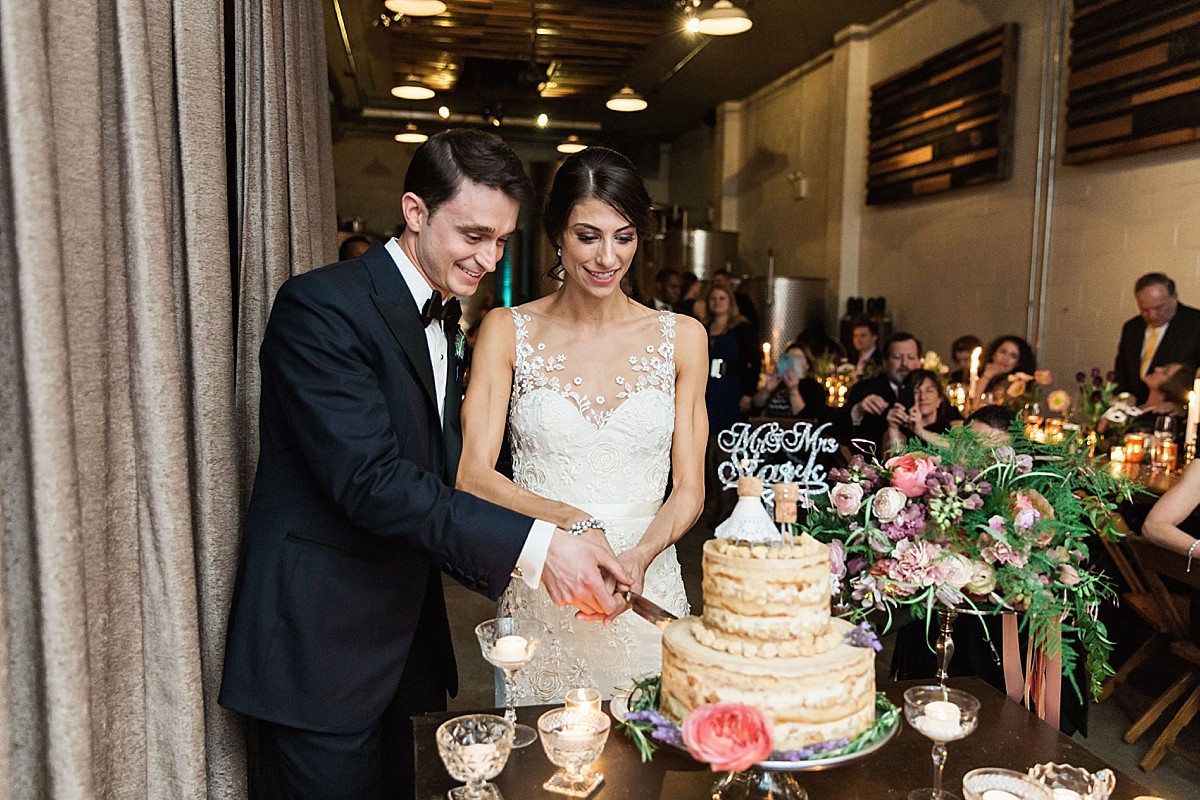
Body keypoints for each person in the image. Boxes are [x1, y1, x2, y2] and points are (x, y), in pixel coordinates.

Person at [219, 130, 630, 800]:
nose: (489, 258)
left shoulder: (448, 319)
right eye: (473, 235)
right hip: (320, 651)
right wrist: (538, 549)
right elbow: (373, 484)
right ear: (415, 212)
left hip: (407, 652)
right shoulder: (320, 306)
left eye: (502, 240)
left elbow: (443, 478)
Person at [457, 147, 708, 702]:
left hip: (645, 586)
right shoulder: (506, 330)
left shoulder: (682, 337)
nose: (607, 257)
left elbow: (690, 487)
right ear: (557, 235)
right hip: (543, 587)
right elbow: (472, 474)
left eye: (624, 236)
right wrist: (569, 522)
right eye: (587, 236)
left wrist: (640, 557)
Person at [1114, 272, 1200, 409]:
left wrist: (1185, 408)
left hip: (1175, 415)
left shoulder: (1195, 324)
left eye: (1159, 308)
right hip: (1135, 411)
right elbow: (1121, 372)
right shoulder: (1132, 327)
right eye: (1144, 309)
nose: (1152, 315)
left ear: (1174, 297)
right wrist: (1123, 396)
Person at [839, 332, 922, 455]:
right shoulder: (865, 388)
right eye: (897, 357)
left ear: (918, 361)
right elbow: (839, 425)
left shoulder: (928, 390)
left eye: (910, 357)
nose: (904, 364)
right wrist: (859, 409)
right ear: (885, 362)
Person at [882, 368, 962, 453]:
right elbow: (892, 462)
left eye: (929, 391)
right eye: (916, 392)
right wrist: (893, 428)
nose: (923, 397)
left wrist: (920, 431)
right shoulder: (899, 433)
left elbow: (960, 451)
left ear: (939, 399)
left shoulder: (955, 426)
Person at [751, 341, 828, 421]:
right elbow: (755, 405)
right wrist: (767, 390)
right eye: (788, 358)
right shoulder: (778, 382)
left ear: (807, 365)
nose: (792, 363)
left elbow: (805, 418)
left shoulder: (814, 388)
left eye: (797, 359)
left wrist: (793, 390)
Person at [711, 267, 759, 332]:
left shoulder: (743, 300)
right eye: (713, 299)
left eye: (722, 299)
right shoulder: (707, 326)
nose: (717, 302)